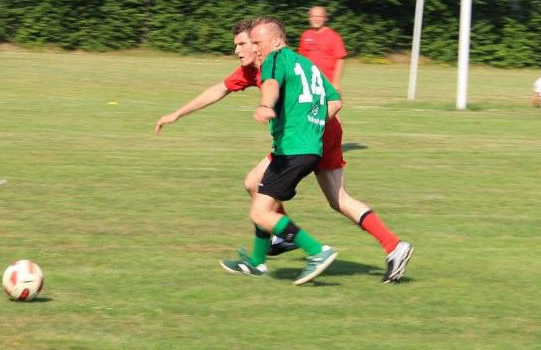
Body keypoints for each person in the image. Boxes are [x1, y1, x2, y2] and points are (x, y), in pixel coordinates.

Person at [156, 19, 412, 283]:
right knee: (310, 194)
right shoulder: (258, 68)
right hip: (318, 133)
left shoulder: (273, 62)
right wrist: (177, 114)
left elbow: (277, 90)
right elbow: (219, 89)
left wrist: (301, 120)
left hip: (306, 138)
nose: (239, 50)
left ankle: (288, 243)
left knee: (261, 200)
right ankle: (393, 245)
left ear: (260, 44)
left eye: (246, 43)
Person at [220, 17, 342, 285]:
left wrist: (266, 105)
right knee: (254, 183)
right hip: (307, 147)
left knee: (260, 213)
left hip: (292, 149)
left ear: (275, 41)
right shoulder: (306, 63)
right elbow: (335, 100)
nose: (254, 48)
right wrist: (313, 125)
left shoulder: (274, 59)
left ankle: (317, 251)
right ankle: (257, 262)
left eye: (257, 42)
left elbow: (271, 85)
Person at [299, 6, 413, 284]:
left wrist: (334, 86)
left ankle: (276, 244)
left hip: (316, 119)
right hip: (319, 120)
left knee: (261, 186)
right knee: (338, 199)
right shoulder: (304, 39)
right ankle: (394, 245)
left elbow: (339, 59)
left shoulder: (331, 37)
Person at [299, 6, 347, 90]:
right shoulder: (305, 35)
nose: (316, 19)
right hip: (309, 83)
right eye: (313, 16)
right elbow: (301, 59)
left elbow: (340, 59)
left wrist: (336, 83)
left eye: (320, 16)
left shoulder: (333, 36)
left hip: (327, 84)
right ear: (309, 18)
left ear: (325, 18)